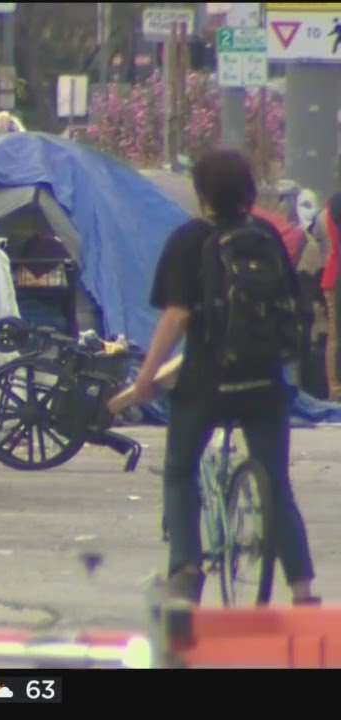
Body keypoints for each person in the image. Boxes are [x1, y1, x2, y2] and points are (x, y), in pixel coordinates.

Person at [131, 149, 320, 606]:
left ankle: (186, 570)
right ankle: (302, 591)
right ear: (248, 191)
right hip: (265, 384)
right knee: (276, 483)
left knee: (179, 471)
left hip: (206, 384)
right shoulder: (266, 237)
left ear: (201, 193)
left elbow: (176, 316)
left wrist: (146, 377)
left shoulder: (189, 239)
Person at [320, 191, 341, 400]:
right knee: (336, 334)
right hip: (336, 279)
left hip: (335, 275)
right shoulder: (337, 202)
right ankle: (336, 390)